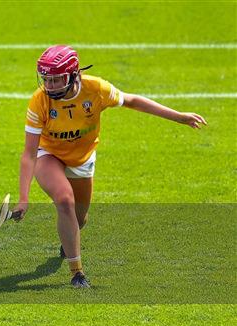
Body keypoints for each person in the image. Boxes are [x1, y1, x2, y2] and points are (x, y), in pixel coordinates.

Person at [12, 45, 206, 288]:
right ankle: (77, 272)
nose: (50, 86)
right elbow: (29, 154)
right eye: (46, 80)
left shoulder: (97, 90)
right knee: (64, 201)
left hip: (83, 159)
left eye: (56, 80)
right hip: (49, 154)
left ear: (73, 75)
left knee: (79, 219)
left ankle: (69, 236)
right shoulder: (39, 101)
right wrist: (23, 197)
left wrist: (179, 116)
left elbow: (133, 101)